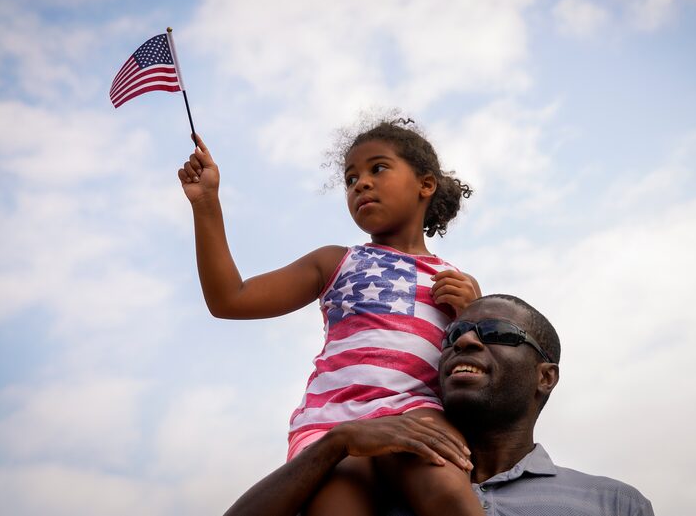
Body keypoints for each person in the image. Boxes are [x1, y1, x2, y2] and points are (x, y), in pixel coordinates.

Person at [177, 118, 484, 515]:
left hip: (417, 408)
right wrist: (206, 204)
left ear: (425, 185)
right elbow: (230, 300)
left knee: (448, 495)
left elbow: (480, 362)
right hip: (333, 421)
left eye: (378, 168)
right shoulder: (336, 261)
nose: (361, 184)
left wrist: (472, 312)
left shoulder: (455, 279)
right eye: (351, 178)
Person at [224, 294, 655, 516]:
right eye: (453, 336)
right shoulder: (370, 486)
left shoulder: (612, 503)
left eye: (497, 333)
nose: (465, 340)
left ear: (545, 377)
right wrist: (336, 443)